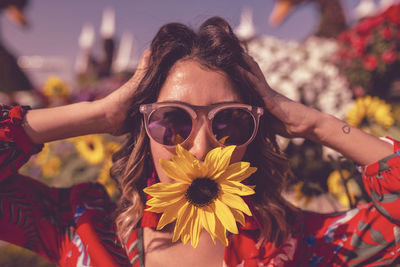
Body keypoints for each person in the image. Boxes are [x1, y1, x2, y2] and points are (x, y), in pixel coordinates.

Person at [0, 16, 399, 267]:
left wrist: (318, 126)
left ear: (254, 136)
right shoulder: (82, 227)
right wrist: (100, 113)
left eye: (230, 122)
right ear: (143, 128)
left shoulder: (297, 243)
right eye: (172, 121)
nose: (201, 147)